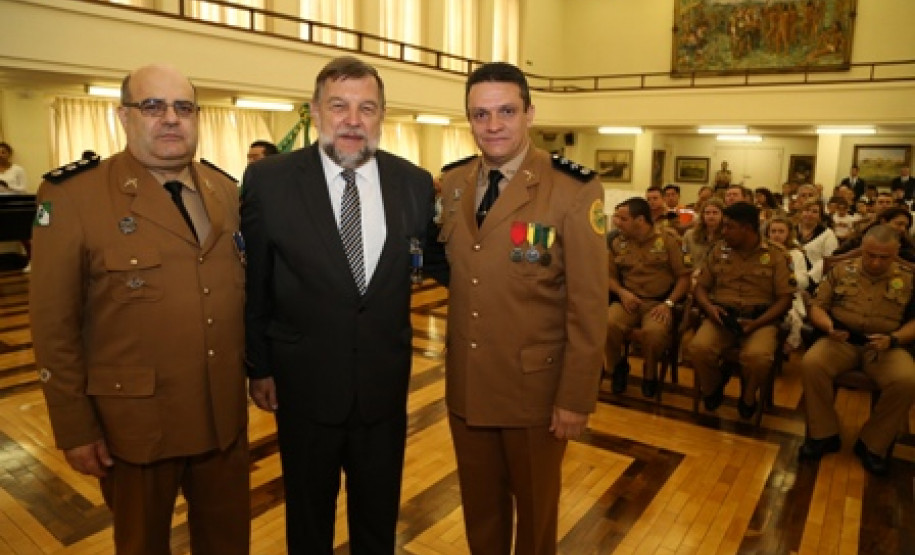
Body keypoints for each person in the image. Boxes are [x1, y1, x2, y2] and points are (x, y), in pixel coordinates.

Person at [29, 64, 250, 554]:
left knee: (229, 542)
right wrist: (75, 426)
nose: (170, 118)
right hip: (133, 427)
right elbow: (53, 325)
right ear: (123, 117)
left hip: (222, 418)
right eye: (153, 106)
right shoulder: (74, 196)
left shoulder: (223, 191)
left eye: (183, 108)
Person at [241, 56, 434, 554]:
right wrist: (259, 365)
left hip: (382, 391)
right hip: (302, 387)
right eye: (339, 106)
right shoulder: (270, 181)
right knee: (308, 518)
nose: (353, 120)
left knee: (377, 517)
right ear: (315, 111)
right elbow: (255, 282)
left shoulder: (413, 182)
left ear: (382, 115)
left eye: (366, 107)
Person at [433, 62, 607, 554]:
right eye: (480, 114)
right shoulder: (454, 185)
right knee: (480, 514)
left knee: (535, 519)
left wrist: (575, 397)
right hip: (468, 385)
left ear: (530, 112)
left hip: (536, 392)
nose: (493, 125)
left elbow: (589, 304)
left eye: (506, 111)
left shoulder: (572, 189)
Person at [799, 225, 915, 475]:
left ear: (896, 253)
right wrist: (828, 326)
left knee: (907, 380)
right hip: (841, 340)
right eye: (870, 255)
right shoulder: (841, 271)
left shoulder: (910, 279)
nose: (875, 262)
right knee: (812, 364)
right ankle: (823, 434)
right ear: (862, 249)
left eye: (884, 257)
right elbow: (817, 306)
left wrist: (894, 339)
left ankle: (872, 444)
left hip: (884, 346)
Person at [688, 202, 794, 419]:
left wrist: (757, 323)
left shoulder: (776, 255)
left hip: (760, 320)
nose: (723, 231)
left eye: (729, 227)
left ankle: (748, 395)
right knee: (698, 348)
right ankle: (713, 388)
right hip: (722, 316)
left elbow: (785, 299)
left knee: (757, 358)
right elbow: (700, 287)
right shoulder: (718, 250)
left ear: (747, 228)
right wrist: (709, 308)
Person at [606, 197, 692, 397]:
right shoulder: (617, 242)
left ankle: (650, 373)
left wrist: (669, 303)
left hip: (659, 302)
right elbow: (608, 277)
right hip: (629, 301)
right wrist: (621, 292)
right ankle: (618, 366)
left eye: (623, 218)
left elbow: (684, 278)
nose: (617, 222)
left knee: (653, 333)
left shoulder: (670, 240)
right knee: (606, 323)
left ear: (640, 220)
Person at [764, 215, 809, 351]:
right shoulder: (762, 251)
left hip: (789, 295)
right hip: (764, 294)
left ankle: (782, 350)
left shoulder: (796, 254)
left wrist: (786, 273)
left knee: (792, 318)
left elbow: (803, 282)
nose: (776, 235)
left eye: (781, 231)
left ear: (788, 233)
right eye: (773, 231)